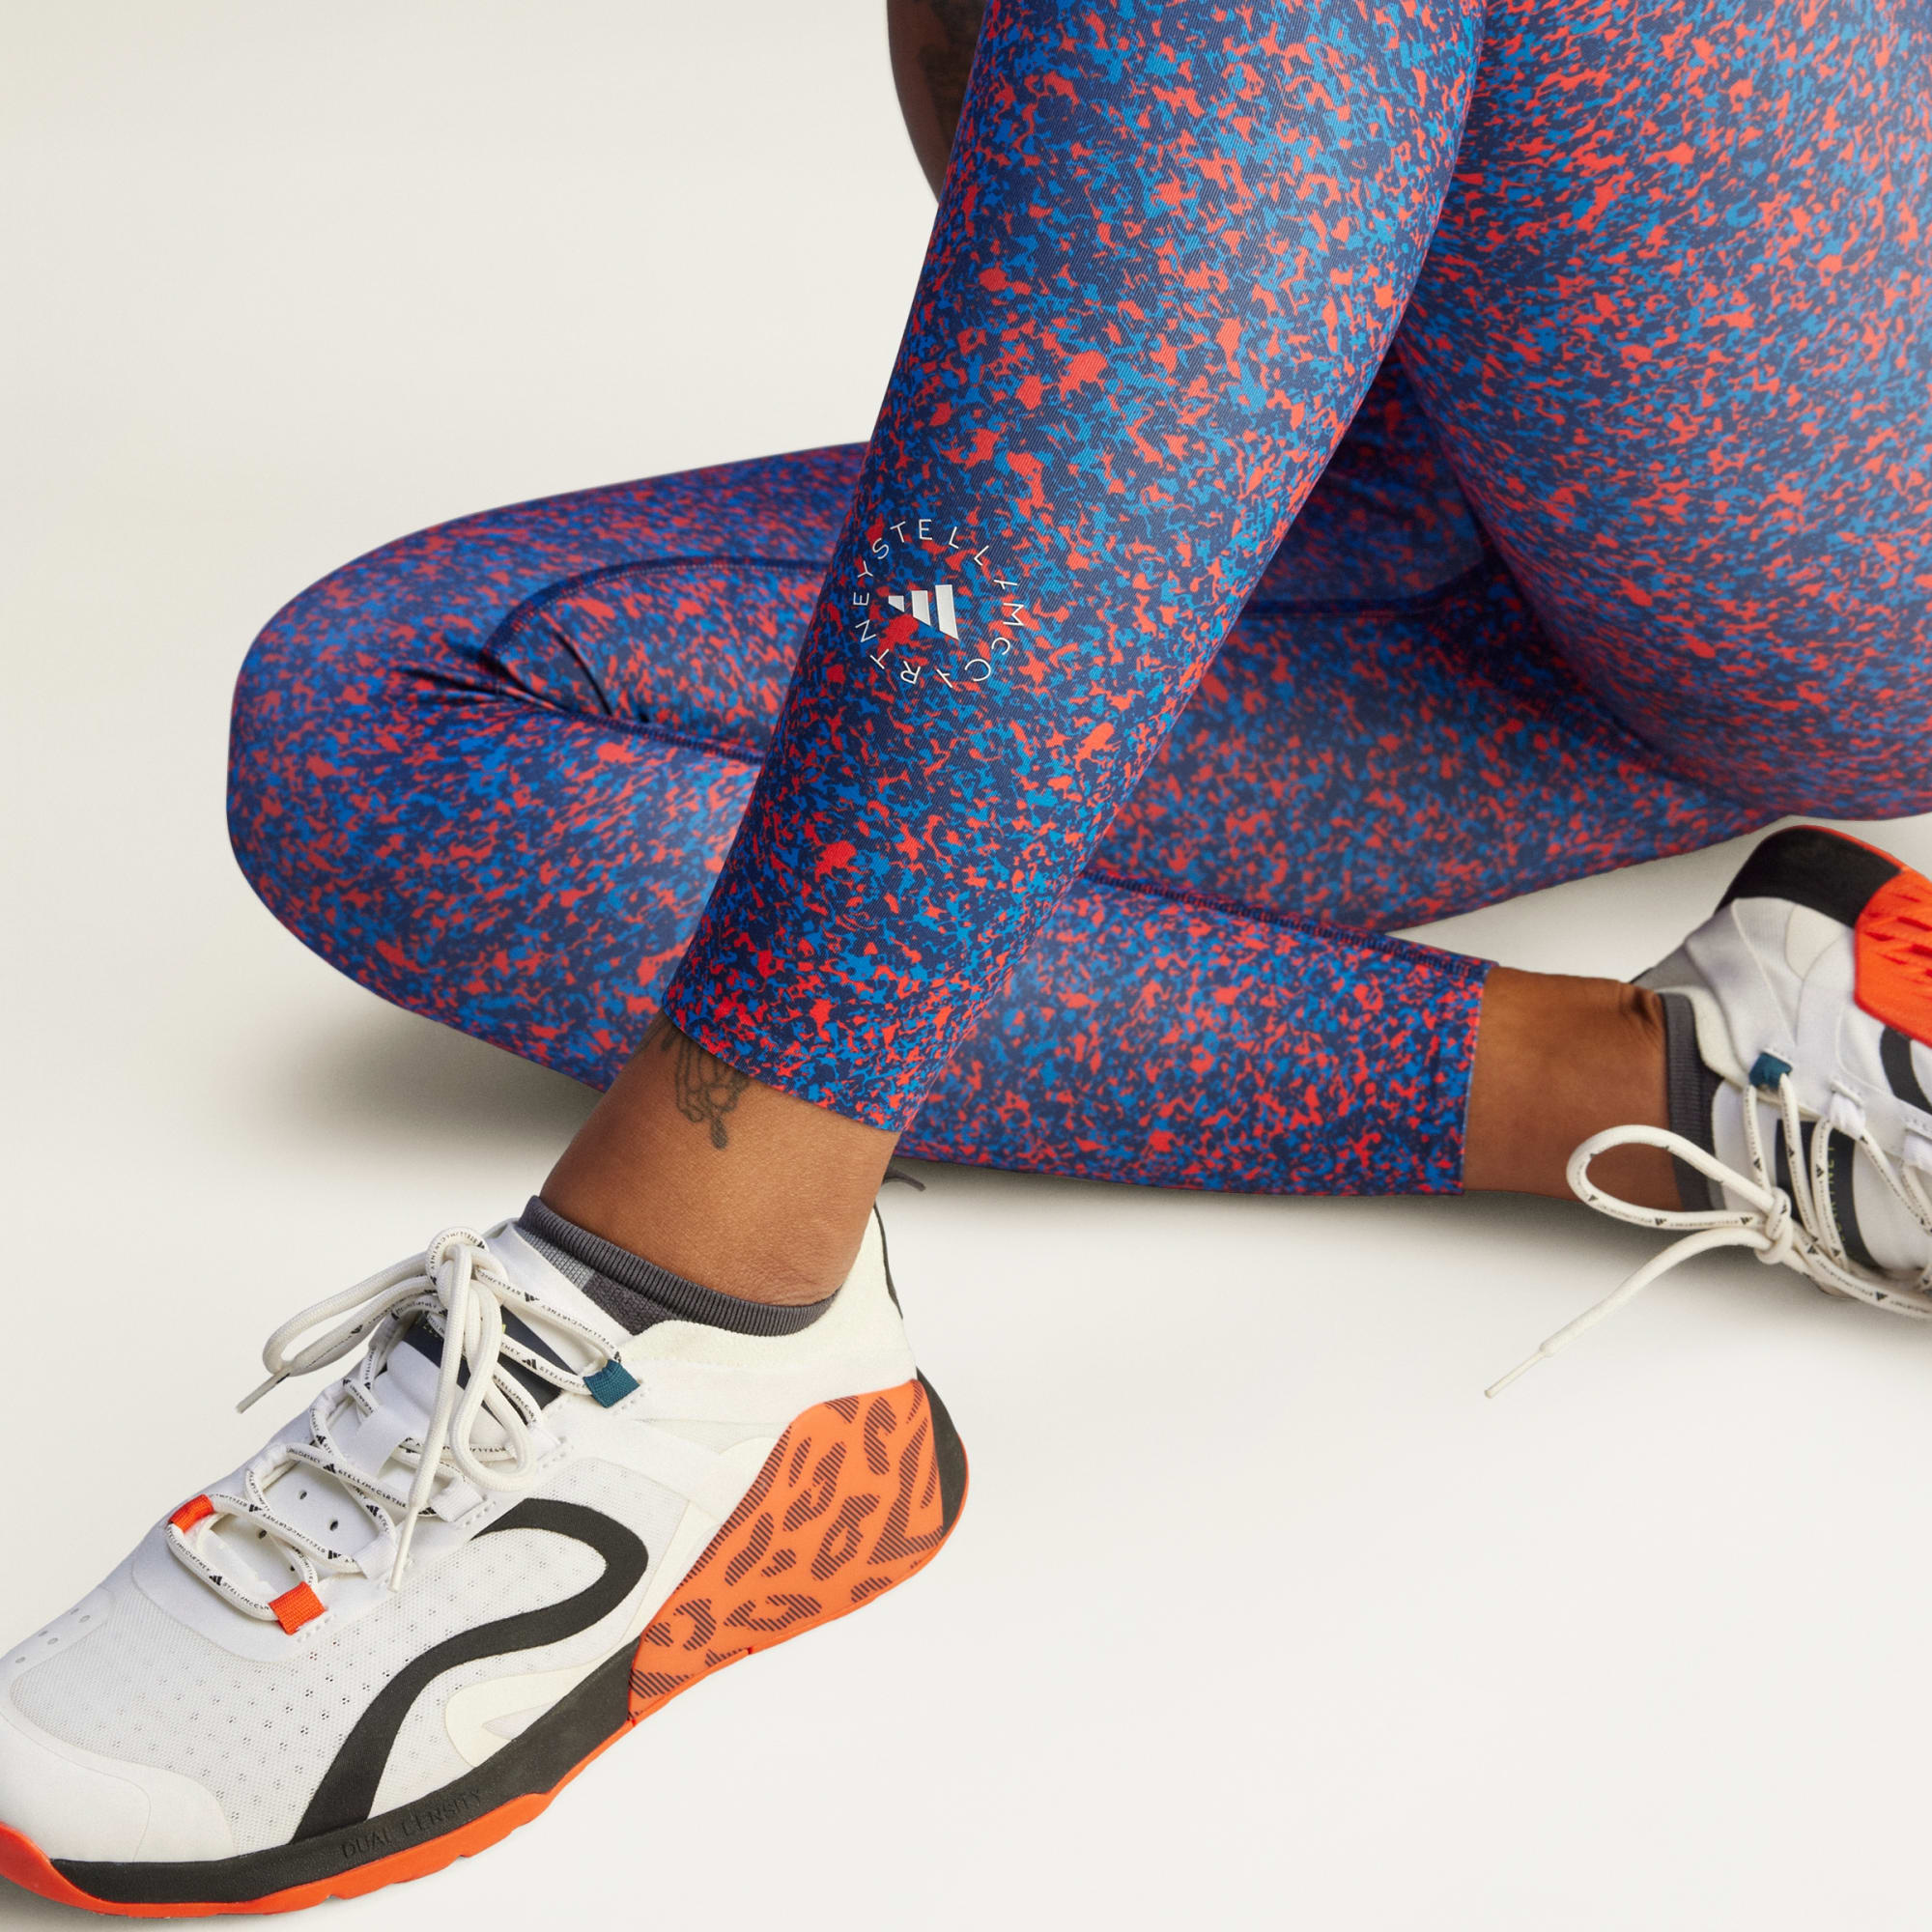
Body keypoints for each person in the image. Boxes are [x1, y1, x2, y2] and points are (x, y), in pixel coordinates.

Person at [3, 0, 1927, 1908]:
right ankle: (1686, 1074)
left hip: (1825, 476)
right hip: (1444, 440)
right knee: (378, 733)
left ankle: (700, 1305)